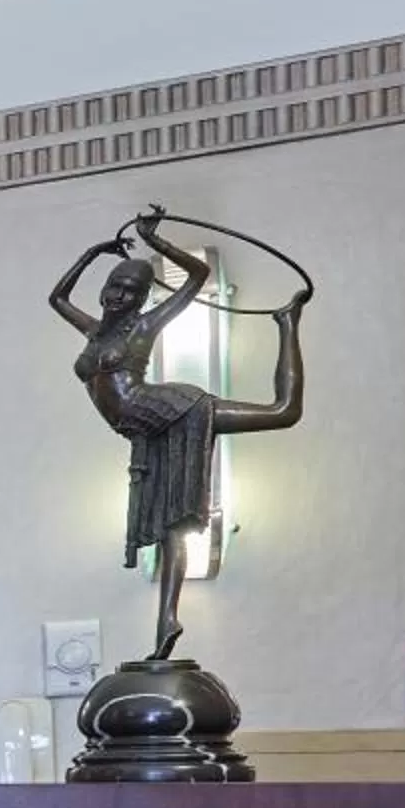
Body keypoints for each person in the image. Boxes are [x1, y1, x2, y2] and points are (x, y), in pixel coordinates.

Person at [49, 203, 308, 659]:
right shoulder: (93, 332)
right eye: (114, 287)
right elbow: (57, 298)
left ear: (142, 299)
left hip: (168, 410)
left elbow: (196, 277)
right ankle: (167, 618)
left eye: (129, 291)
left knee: (282, 413)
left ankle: (287, 324)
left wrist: (155, 242)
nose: (118, 296)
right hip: (142, 429)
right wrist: (93, 253)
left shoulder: (145, 326)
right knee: (171, 527)